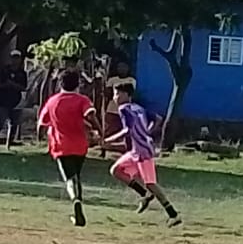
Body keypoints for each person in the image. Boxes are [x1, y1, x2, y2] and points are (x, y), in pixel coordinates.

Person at [103, 82, 182, 227]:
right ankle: (144, 195)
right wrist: (147, 132)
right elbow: (157, 119)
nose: (115, 97)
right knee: (116, 170)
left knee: (151, 183)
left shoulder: (124, 109)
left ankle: (173, 214)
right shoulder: (138, 108)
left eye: (117, 93)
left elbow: (127, 130)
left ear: (127, 95)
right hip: (136, 150)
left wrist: (108, 139)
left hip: (143, 151)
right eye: (114, 94)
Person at [38, 70, 100, 228]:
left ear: (60, 83)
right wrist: (100, 130)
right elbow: (90, 116)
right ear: (78, 84)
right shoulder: (82, 100)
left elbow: (41, 124)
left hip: (60, 146)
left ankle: (76, 201)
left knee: (69, 178)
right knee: (76, 175)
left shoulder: (52, 101)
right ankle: (78, 202)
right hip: (80, 145)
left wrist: (40, 138)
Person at [0, 50, 28, 149]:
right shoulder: (4, 70)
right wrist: (7, 85)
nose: (15, 60)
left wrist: (13, 85)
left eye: (17, 58)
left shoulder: (22, 73)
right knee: (0, 122)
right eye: (13, 57)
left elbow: (24, 87)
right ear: (10, 58)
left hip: (16, 100)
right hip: (3, 99)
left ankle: (9, 145)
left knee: (14, 123)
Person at [104, 61, 137, 142]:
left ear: (128, 68)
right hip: (112, 108)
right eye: (120, 67)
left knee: (124, 127)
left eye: (124, 67)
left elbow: (132, 92)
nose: (122, 69)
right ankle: (106, 143)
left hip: (126, 108)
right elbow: (108, 93)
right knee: (110, 127)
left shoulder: (131, 80)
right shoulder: (112, 80)